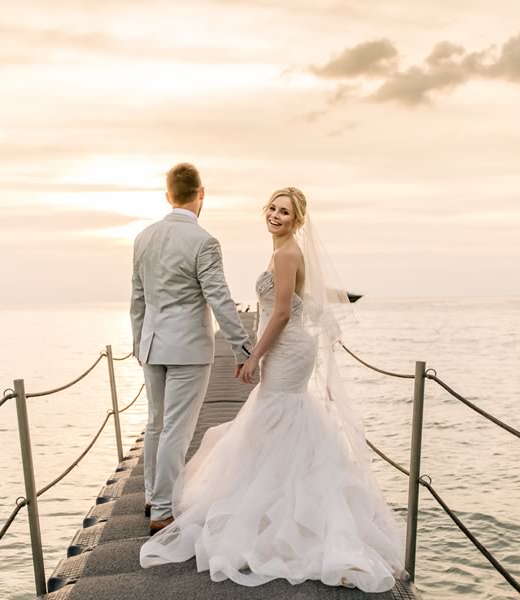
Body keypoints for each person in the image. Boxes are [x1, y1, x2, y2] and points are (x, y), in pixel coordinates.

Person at [140, 187, 407, 593]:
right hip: (285, 346)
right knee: (280, 421)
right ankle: (275, 504)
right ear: (265, 211)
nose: (277, 216)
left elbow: (281, 313)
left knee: (277, 416)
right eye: (273, 208)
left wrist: (253, 357)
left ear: (297, 220)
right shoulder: (281, 251)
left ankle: (285, 514)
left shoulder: (286, 255)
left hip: (287, 348)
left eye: (285, 212)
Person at [130, 162, 253, 536]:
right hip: (187, 349)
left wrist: (139, 342)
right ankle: (163, 512)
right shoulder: (204, 242)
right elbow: (219, 298)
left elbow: (137, 298)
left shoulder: (143, 237)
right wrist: (241, 347)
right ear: (202, 194)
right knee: (176, 432)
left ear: (168, 196)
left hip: (152, 345)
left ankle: (153, 495)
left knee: (156, 424)